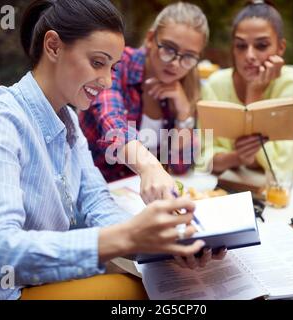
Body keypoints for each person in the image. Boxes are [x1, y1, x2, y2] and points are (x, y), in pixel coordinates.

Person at [0, 0, 225, 300]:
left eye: (113, 68)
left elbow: (96, 204)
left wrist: (165, 242)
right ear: (54, 46)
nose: (108, 80)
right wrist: (128, 235)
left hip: (36, 284)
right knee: (142, 292)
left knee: (166, 284)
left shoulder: (69, 120)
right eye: (98, 63)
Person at [80, 2, 209, 203]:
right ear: (150, 39)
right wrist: (151, 166)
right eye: (168, 49)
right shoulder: (117, 64)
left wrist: (184, 113)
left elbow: (180, 165)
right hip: (95, 194)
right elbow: (112, 123)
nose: (175, 63)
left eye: (189, 57)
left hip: (142, 199)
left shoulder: (181, 89)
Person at [198, 0, 293, 199]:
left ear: (280, 48)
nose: (250, 55)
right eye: (241, 46)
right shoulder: (215, 85)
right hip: (233, 179)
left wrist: (254, 93)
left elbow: (281, 162)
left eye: (261, 46)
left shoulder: (292, 83)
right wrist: (237, 157)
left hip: (290, 180)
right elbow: (205, 156)